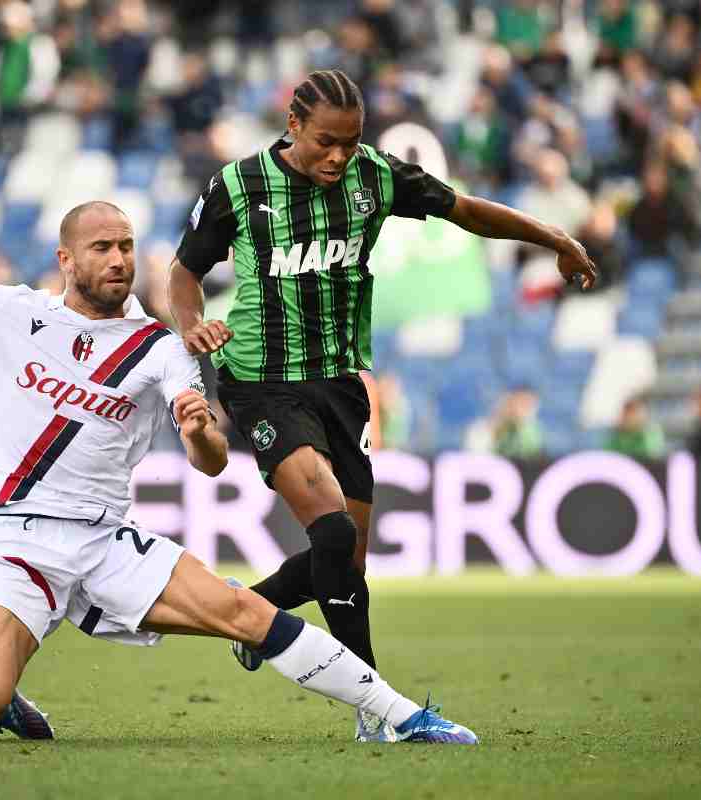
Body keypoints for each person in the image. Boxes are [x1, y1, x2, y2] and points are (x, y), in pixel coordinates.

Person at [0, 164, 477, 746]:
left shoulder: (159, 346)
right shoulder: (10, 312)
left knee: (241, 613)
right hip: (16, 542)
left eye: (128, 247)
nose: (118, 259)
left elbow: (207, 462)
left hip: (108, 542)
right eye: (103, 247)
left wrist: (198, 427)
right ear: (67, 259)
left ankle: (398, 714)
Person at [166, 68, 596, 741]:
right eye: (326, 142)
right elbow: (184, 272)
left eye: (351, 141)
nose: (339, 155)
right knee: (332, 533)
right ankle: (378, 709)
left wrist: (555, 239)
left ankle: (252, 610)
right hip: (261, 380)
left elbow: (465, 209)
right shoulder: (240, 185)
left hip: (340, 381)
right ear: (293, 127)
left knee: (346, 563)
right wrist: (192, 324)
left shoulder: (376, 176)